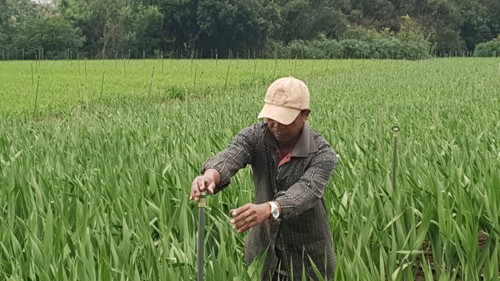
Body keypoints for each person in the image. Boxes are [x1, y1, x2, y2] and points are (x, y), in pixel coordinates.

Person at [190, 77, 337, 280]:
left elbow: (306, 190)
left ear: (305, 114)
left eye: (283, 119)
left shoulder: (322, 154)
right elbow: (232, 155)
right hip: (263, 253)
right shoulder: (254, 137)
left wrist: (270, 208)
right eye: (270, 118)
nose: (275, 125)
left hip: (308, 258)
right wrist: (210, 176)